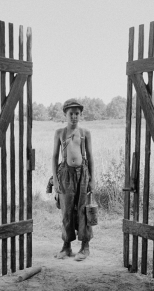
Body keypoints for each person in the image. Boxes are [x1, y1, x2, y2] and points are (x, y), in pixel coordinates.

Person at [52, 99, 95, 261]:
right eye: (71, 113)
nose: (74, 117)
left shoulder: (85, 133)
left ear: (80, 115)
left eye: (77, 114)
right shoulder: (59, 133)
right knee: (67, 210)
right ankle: (66, 246)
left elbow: (90, 157)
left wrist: (92, 179)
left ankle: (85, 247)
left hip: (83, 174)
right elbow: (54, 157)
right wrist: (55, 181)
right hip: (65, 175)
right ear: (65, 114)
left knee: (84, 210)